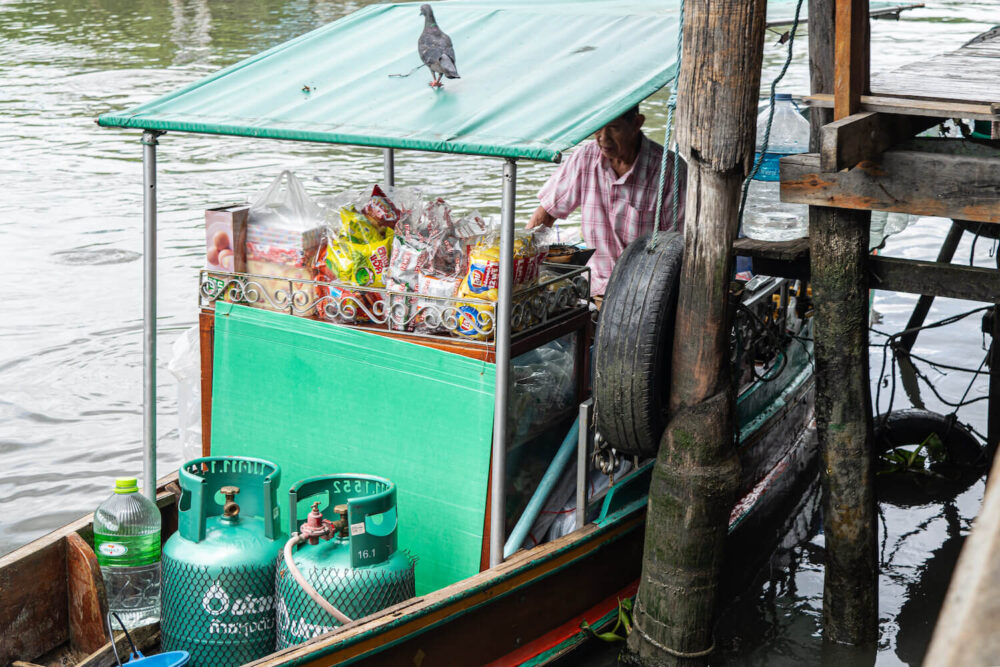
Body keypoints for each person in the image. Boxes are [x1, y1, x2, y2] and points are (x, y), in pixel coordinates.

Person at [526, 105, 686, 300]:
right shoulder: (586, 158)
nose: (602, 138)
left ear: (637, 123)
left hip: (646, 294)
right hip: (595, 286)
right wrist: (522, 264)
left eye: (613, 128)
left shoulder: (668, 171)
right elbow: (546, 214)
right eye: (597, 128)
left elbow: (676, 248)